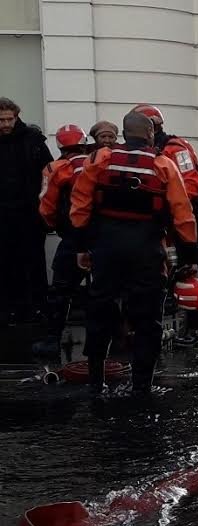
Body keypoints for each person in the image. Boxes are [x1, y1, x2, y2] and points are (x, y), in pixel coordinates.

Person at [70, 112, 198, 396]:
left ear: (124, 135)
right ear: (150, 134)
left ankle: (96, 382)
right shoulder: (163, 164)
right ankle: (142, 385)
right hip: (147, 248)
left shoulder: (99, 160)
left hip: (106, 247)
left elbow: (79, 205)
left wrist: (81, 247)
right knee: (147, 317)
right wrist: (189, 256)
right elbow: (183, 214)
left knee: (100, 311)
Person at [131, 104, 198, 347]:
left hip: (183, 215)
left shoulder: (176, 149)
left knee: (188, 270)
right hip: (156, 219)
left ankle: (193, 329)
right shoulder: (144, 153)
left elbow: (191, 185)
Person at [33, 125, 89, 355]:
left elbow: (46, 205)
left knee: (61, 290)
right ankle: (117, 337)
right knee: (110, 290)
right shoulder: (101, 162)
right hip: (105, 237)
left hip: (74, 238)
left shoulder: (56, 168)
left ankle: (52, 340)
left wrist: (52, 225)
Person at [0, 97, 53, 326]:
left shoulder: (33, 140)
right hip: (3, 214)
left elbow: (49, 174)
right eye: (1, 120)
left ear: (17, 116)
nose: (5, 124)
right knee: (6, 262)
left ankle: (37, 307)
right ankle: (12, 308)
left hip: (29, 213)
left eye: (9, 119)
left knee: (33, 261)